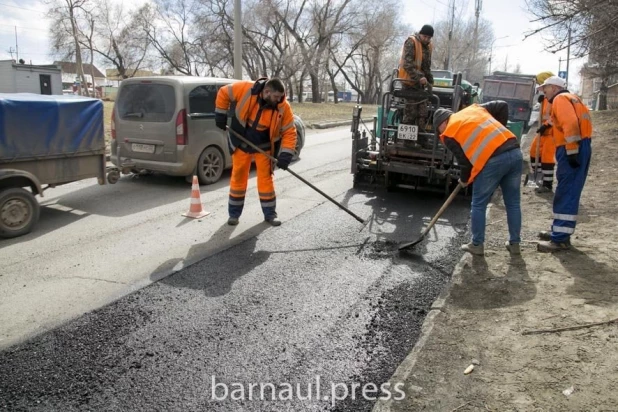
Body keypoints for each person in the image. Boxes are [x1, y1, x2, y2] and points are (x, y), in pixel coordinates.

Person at [433, 101, 523, 256]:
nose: (439, 133)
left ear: (442, 123)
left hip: (493, 160)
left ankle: (477, 244)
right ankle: (515, 244)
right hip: (514, 152)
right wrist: (497, 135)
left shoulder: (449, 132)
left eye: (437, 129)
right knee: (513, 203)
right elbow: (502, 105)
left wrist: (464, 179)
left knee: (479, 204)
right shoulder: (473, 110)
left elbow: (464, 162)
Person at [214, 77, 297, 227]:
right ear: (266, 92)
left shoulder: (283, 106)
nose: (279, 100)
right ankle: (234, 215)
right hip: (241, 142)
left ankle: (270, 214)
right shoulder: (246, 88)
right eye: (276, 97)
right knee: (238, 177)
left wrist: (286, 154)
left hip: (264, 147)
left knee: (266, 180)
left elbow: (290, 131)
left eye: (281, 97)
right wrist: (220, 113)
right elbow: (223, 92)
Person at [535, 76, 592, 252]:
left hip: (571, 147)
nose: (544, 92)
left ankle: (559, 239)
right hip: (579, 146)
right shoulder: (571, 98)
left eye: (546, 88)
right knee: (568, 190)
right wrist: (547, 125)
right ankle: (559, 232)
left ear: (554, 87)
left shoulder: (560, 99)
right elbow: (565, 119)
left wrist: (572, 150)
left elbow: (571, 124)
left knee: (566, 191)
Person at [398, 24, 434, 131]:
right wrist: (419, 77)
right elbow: (407, 64)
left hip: (421, 86)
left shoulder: (428, 47)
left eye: (429, 37)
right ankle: (407, 140)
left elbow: (426, 67)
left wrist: (430, 81)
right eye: (425, 36)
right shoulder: (411, 42)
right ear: (420, 34)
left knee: (422, 114)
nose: (426, 39)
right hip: (409, 82)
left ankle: (421, 139)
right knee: (410, 113)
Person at [529, 71, 557, 193]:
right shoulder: (545, 98)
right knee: (533, 153)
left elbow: (556, 116)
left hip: (552, 133)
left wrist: (546, 125)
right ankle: (537, 178)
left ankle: (547, 184)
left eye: (542, 85)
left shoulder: (556, 98)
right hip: (543, 132)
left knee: (547, 158)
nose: (542, 88)